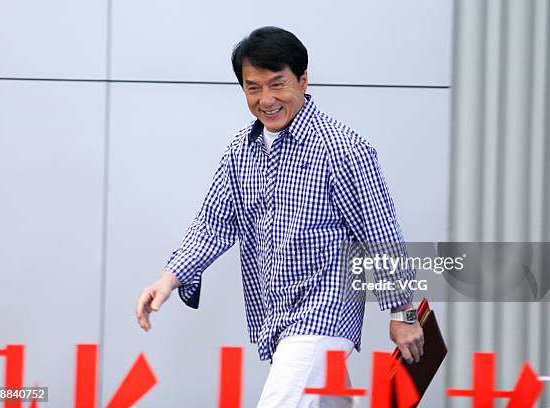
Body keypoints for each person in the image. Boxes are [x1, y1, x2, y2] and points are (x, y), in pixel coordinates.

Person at [136, 26, 424, 407]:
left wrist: (404, 315)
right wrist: (168, 280)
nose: (266, 99)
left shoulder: (341, 148)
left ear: (303, 80)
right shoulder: (241, 151)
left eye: (277, 84)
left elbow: (380, 232)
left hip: (325, 313)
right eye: (253, 88)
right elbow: (213, 224)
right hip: (278, 318)